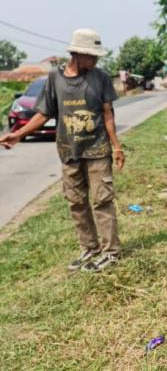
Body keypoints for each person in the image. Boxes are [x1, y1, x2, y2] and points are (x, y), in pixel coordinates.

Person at [0, 28, 125, 273]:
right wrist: (18, 134)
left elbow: (108, 114)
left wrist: (117, 147)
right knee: (76, 202)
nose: (96, 60)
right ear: (77, 54)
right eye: (92, 56)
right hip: (69, 152)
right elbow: (43, 113)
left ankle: (111, 252)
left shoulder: (100, 77)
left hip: (98, 150)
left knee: (102, 201)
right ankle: (90, 247)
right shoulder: (55, 79)